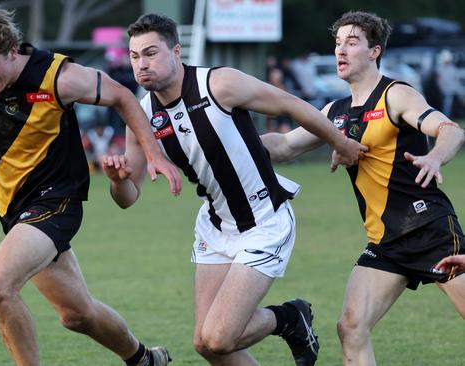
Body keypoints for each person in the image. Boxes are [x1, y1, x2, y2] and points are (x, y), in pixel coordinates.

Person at [0, 5, 182, 366]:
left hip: (57, 201)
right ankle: (145, 359)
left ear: (12, 51)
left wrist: (154, 155)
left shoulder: (58, 75)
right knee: (77, 315)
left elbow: (122, 96)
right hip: (13, 208)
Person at [102, 13, 366, 366]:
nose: (142, 64)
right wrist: (118, 181)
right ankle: (289, 319)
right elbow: (128, 198)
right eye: (134, 57)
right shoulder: (142, 115)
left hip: (264, 220)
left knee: (219, 336)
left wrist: (341, 142)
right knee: (205, 344)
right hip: (215, 227)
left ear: (176, 52)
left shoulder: (219, 84)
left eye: (150, 53)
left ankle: (288, 318)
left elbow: (292, 105)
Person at [260, 11, 465, 365]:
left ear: (375, 51)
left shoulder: (396, 95)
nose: (341, 50)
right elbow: (286, 146)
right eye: (338, 43)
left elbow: (451, 130)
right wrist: (231, 143)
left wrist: (434, 158)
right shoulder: (334, 112)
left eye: (352, 43)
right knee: (351, 328)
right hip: (385, 242)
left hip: (429, 229)